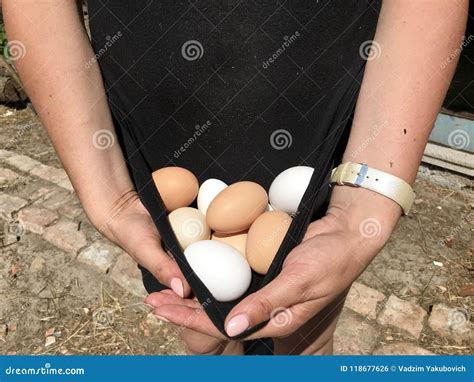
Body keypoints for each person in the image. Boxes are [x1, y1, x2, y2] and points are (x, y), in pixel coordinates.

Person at [4, 0, 467, 355]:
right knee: (203, 332)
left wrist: (366, 199)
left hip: (315, 107)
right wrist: (106, 188)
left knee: (307, 332)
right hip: (162, 128)